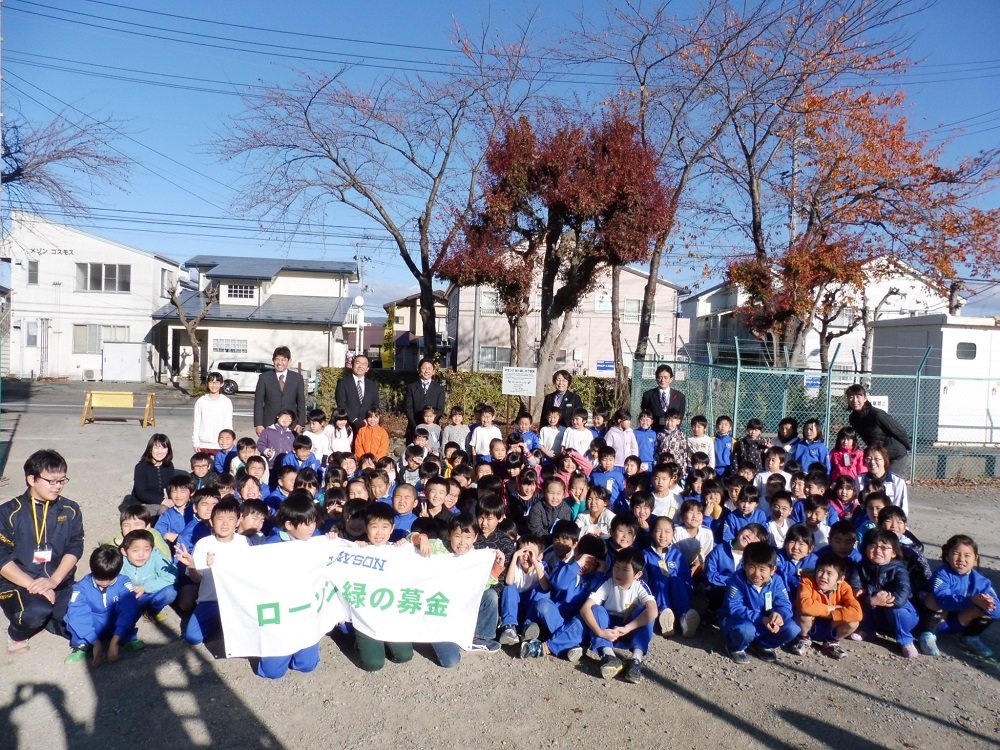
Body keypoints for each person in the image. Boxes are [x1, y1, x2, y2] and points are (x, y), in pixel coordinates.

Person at [0, 450, 83, 654]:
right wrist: (33, 585)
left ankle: (49, 620)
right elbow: (1, 557)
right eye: (51, 481)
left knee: (83, 622)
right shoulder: (9, 513)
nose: (58, 486)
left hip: (58, 580)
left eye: (62, 481)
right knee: (35, 612)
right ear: (31, 479)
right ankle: (16, 633)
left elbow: (75, 546)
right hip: (19, 583)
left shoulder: (70, 509)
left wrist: (54, 581)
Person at [256, 492, 324, 679]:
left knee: (307, 665)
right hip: (280, 615)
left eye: (313, 522)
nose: (312, 528)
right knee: (272, 672)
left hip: (305, 612)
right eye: (306, 523)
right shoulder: (269, 548)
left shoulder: (317, 541)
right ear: (289, 525)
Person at [177, 497, 249, 646]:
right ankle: (219, 623)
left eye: (230, 519)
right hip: (210, 600)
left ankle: (225, 623)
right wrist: (191, 565)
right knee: (192, 637)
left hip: (236, 600)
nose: (225, 524)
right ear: (211, 521)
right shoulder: (204, 544)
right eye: (220, 519)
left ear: (238, 521)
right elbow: (197, 579)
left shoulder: (244, 542)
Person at [719, 541, 800, 664]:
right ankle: (735, 647)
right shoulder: (737, 579)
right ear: (744, 565)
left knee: (792, 629)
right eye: (751, 567)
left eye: (762, 569)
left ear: (773, 570)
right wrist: (761, 619)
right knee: (746, 630)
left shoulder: (776, 581)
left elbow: (785, 604)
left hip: (764, 622)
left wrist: (779, 615)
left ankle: (763, 645)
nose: (757, 574)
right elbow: (734, 608)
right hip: (738, 620)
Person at [64, 545, 144, 664]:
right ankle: (83, 644)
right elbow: (77, 615)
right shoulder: (81, 587)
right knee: (72, 616)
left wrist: (114, 643)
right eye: (100, 579)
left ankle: (123, 638)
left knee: (132, 606)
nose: (105, 583)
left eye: (110, 579)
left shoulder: (124, 583)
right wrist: (95, 643)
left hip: (115, 623)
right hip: (94, 625)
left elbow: (129, 611)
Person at [928, 534, 997, 658]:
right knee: (932, 599)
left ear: (976, 559)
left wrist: (989, 603)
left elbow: (998, 611)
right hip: (939, 622)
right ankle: (928, 635)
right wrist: (972, 600)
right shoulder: (942, 574)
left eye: (967, 555)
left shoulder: (981, 581)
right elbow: (943, 601)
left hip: (960, 622)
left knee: (989, 606)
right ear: (947, 556)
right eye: (955, 553)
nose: (961, 559)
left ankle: (970, 637)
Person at [789, 552, 863, 660]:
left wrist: (830, 614)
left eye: (829, 573)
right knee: (804, 614)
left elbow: (857, 613)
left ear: (840, 579)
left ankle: (831, 642)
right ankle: (803, 638)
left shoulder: (844, 587)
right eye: (820, 571)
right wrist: (832, 608)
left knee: (853, 622)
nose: (823, 576)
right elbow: (805, 605)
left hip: (830, 624)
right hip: (810, 623)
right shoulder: (806, 582)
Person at [846, 384, 911, 475]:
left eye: (858, 396)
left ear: (865, 398)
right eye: (851, 397)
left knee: (890, 483)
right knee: (876, 485)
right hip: (878, 456)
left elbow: (899, 431)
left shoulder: (877, 414)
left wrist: (908, 447)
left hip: (895, 454)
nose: (854, 400)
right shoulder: (853, 418)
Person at [119, 529, 178, 622]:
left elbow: (172, 575)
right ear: (124, 551)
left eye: (147, 550)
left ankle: (151, 611)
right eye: (135, 550)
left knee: (170, 592)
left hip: (151, 593)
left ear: (152, 549)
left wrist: (146, 587)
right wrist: (127, 589)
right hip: (130, 596)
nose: (141, 554)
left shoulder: (157, 558)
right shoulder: (120, 562)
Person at [254, 346, 307, 436]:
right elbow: (258, 403)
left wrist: (300, 423)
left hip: (291, 424)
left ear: (289, 361)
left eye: (283, 360)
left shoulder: (297, 378)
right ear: (273, 360)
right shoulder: (264, 378)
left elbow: (301, 403)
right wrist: (258, 424)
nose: (280, 363)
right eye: (277, 359)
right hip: (269, 423)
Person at [856, 444, 909, 516]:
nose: (872, 462)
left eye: (876, 459)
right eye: (868, 458)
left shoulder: (898, 481)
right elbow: (857, 504)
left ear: (885, 460)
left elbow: (902, 508)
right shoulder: (859, 479)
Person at [131, 433, 177, 515]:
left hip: (158, 503)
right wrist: (163, 501)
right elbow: (141, 492)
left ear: (168, 450)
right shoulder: (141, 467)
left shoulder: (168, 465)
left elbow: (170, 487)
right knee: (163, 513)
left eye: (163, 448)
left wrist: (175, 501)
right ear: (150, 449)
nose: (160, 452)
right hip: (141, 504)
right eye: (156, 448)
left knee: (173, 512)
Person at [403, 358, 447, 441]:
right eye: (424, 368)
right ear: (418, 370)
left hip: (433, 428)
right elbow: (408, 408)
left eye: (429, 368)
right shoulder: (411, 387)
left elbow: (440, 409)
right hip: (414, 427)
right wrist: (415, 425)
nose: (426, 371)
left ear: (433, 371)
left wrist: (430, 423)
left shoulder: (439, 389)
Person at [335, 354, 380, 432]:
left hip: (367, 425)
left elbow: (375, 404)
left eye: (364, 364)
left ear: (367, 368)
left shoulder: (372, 385)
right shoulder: (343, 382)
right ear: (352, 365)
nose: (360, 366)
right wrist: (354, 420)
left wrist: (369, 419)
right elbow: (341, 404)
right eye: (358, 363)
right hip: (348, 425)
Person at [192, 371, 234, 454]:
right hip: (203, 443)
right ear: (207, 384)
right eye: (211, 382)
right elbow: (196, 423)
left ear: (222, 384)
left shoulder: (226, 401)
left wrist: (230, 440)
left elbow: (228, 422)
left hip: (221, 443)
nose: (214, 385)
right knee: (202, 466)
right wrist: (195, 442)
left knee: (220, 466)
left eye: (217, 382)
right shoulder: (201, 401)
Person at [640, 364, 687, 430]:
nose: (662, 380)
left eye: (666, 377)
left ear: (671, 379)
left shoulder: (680, 397)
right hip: (653, 432)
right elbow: (645, 413)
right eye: (660, 377)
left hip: (672, 433)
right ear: (656, 378)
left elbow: (680, 416)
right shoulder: (648, 395)